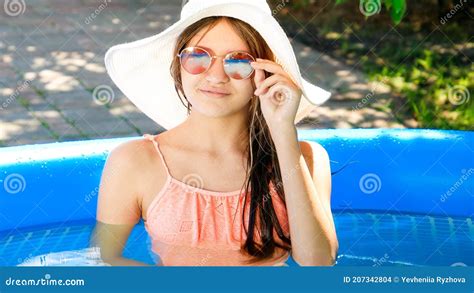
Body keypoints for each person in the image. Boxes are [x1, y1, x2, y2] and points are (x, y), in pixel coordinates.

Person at [91, 0, 338, 266]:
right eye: (198, 56)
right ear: (178, 65)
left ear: (265, 73)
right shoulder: (134, 162)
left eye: (240, 61)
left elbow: (319, 263)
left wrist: (283, 131)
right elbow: (105, 258)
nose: (217, 76)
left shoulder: (306, 158)